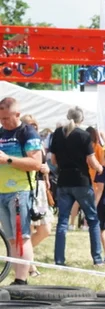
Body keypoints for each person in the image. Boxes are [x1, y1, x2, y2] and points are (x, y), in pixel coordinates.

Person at [49, 106, 105, 267]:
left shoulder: (57, 134)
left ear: (68, 117)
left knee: (62, 222)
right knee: (93, 220)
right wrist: (100, 168)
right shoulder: (84, 136)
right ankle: (97, 258)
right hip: (81, 181)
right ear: (82, 120)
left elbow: (53, 161)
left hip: (63, 181)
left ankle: (59, 260)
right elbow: (91, 162)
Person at [0, 98, 43, 285]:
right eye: (1, 118)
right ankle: (17, 277)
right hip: (1, 192)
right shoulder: (1, 133)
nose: (3, 122)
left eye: (7, 118)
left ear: (17, 114)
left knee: (22, 236)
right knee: (10, 238)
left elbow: (36, 163)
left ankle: (21, 279)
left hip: (20, 191)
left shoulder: (27, 133)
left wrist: (8, 159)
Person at [21, 115, 51, 266]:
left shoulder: (39, 143)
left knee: (45, 229)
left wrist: (46, 172)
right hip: (29, 186)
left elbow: (43, 164)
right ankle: (29, 264)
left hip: (40, 187)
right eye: (30, 126)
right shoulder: (23, 142)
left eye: (36, 126)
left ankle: (23, 256)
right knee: (30, 227)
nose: (34, 129)